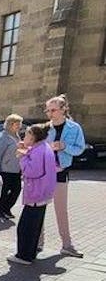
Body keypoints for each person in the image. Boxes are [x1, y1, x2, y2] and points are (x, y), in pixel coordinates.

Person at [41, 94, 85, 257]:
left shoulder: (74, 128)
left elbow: (80, 148)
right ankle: (38, 242)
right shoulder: (45, 128)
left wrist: (64, 146)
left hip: (61, 172)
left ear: (63, 109)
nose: (50, 113)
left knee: (61, 210)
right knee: (40, 208)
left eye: (53, 110)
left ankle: (67, 245)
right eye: (48, 110)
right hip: (44, 172)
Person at [8, 123, 57, 265]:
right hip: (43, 193)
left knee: (26, 227)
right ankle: (30, 252)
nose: (24, 136)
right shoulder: (43, 147)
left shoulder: (38, 150)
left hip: (36, 193)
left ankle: (24, 255)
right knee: (35, 225)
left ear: (34, 137)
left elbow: (32, 171)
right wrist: (26, 150)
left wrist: (21, 157)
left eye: (27, 134)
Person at [0, 114, 24, 220]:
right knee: (4, 192)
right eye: (17, 123)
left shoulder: (17, 135)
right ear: (11, 124)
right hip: (5, 170)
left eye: (20, 123)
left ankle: (6, 209)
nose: (19, 126)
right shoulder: (3, 136)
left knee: (16, 190)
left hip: (16, 169)